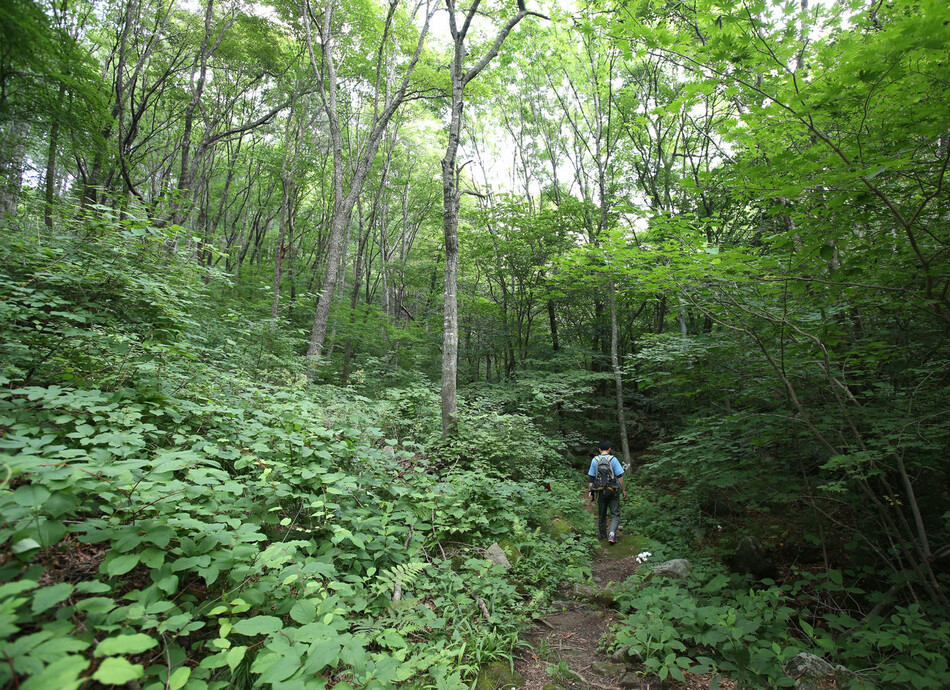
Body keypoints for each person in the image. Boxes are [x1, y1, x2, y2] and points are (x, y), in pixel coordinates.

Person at [587, 440, 627, 544]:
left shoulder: (594, 460)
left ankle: (603, 537)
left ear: (599, 449)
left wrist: (590, 492)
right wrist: (623, 490)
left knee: (602, 514)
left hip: (600, 491)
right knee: (615, 513)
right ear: (609, 449)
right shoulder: (613, 459)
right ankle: (612, 534)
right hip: (612, 490)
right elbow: (620, 476)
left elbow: (591, 478)